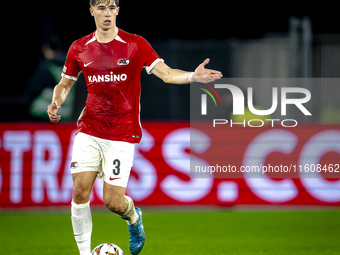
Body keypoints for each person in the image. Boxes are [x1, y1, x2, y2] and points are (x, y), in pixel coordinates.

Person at [47, 1, 222, 255]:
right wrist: (56, 101)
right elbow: (65, 83)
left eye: (111, 7)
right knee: (79, 190)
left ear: (117, 10)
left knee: (113, 202)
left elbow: (167, 73)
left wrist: (193, 76)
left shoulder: (135, 44)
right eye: (101, 7)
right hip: (90, 127)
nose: (107, 13)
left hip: (121, 133)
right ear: (91, 11)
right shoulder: (79, 47)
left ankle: (133, 218)